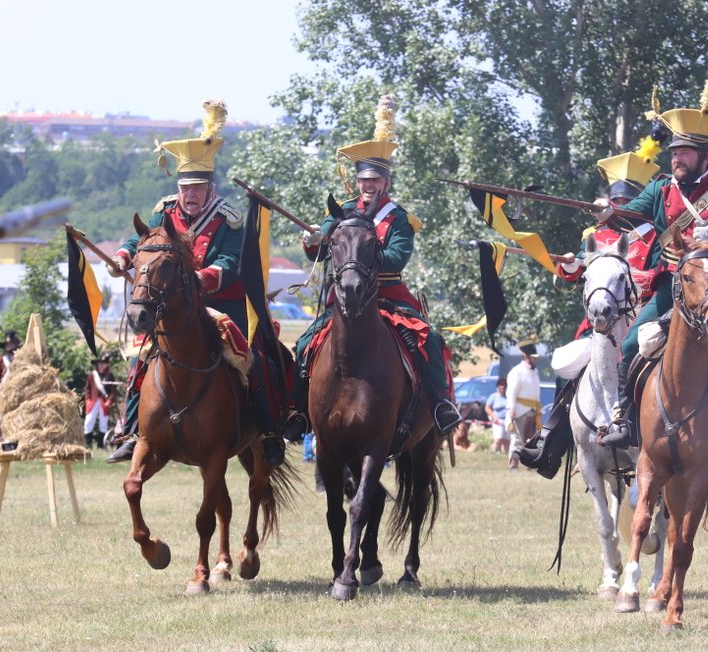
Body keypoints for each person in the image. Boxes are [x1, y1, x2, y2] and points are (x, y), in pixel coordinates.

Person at [598, 62, 708, 457]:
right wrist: (607, 212)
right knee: (629, 344)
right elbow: (633, 215)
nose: (676, 158)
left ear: (703, 154)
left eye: (684, 152)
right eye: (674, 151)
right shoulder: (661, 189)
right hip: (674, 287)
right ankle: (626, 420)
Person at [106, 100, 282, 466]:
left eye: (197, 188)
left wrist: (201, 278)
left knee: (256, 355)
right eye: (185, 187)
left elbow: (231, 262)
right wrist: (123, 256)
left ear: (210, 188)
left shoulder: (229, 220)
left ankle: (267, 430)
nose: (190, 194)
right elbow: (142, 241)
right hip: (173, 306)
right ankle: (131, 431)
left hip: (222, 303)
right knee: (142, 359)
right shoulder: (164, 210)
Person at [282, 94, 460, 444]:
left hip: (389, 296)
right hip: (345, 298)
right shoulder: (343, 212)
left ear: (386, 183)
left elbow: (396, 258)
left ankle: (439, 405)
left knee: (429, 339)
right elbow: (319, 251)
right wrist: (313, 239)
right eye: (364, 181)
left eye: (375, 181)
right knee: (305, 343)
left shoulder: (399, 218)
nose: (368, 186)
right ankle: (300, 411)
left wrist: (367, 254)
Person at [518, 142, 660, 476]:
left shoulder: (653, 236)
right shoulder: (595, 233)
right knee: (567, 369)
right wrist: (568, 264)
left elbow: (658, 274)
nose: (621, 207)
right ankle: (550, 439)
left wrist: (636, 277)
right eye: (617, 201)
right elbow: (577, 274)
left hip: (640, 317)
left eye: (628, 202)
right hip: (598, 324)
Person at [505, 337, 542, 471]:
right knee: (517, 439)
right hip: (519, 410)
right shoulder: (517, 371)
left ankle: (529, 465)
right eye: (533, 358)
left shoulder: (535, 371)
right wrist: (511, 409)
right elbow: (511, 393)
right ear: (526, 357)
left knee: (531, 441)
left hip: (532, 409)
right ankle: (513, 465)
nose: (535, 360)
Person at [83, 354, 117, 449]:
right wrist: (88, 400)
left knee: (103, 424)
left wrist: (109, 402)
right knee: (88, 422)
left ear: (107, 364)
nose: (101, 365)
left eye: (103, 363)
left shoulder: (110, 375)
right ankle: (87, 444)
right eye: (100, 363)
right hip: (93, 402)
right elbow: (87, 389)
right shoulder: (92, 375)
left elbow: (113, 391)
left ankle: (100, 445)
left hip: (104, 403)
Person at [0, 329, 20, 404]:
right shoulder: (2, 360)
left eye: (11, 343)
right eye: (7, 344)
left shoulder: (22, 357)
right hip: (4, 393)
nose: (9, 346)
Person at [486, 377, 510, 455]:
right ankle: (493, 454)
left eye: (504, 385)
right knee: (498, 440)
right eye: (501, 385)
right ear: (498, 386)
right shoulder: (493, 396)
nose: (503, 387)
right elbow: (487, 408)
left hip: (508, 420)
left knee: (507, 441)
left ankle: (504, 456)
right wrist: (494, 417)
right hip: (498, 420)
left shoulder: (509, 397)